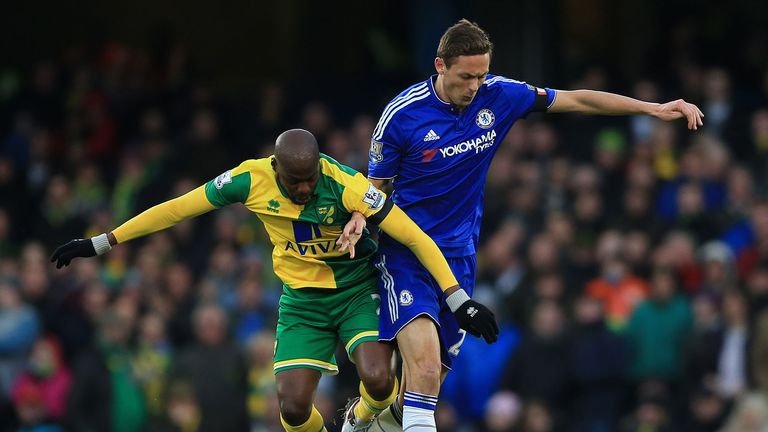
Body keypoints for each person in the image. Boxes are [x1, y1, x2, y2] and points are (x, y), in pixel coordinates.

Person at [348, 18, 704, 431]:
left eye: (481, 75)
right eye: (466, 77)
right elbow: (373, 188)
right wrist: (358, 220)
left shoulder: (498, 94)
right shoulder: (402, 115)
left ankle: (360, 424)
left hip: (459, 255)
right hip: (406, 254)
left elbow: (577, 100)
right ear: (440, 66)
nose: (475, 86)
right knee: (425, 372)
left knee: (420, 391)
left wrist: (652, 108)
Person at [50, 129, 498, 432]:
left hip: (356, 291)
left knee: (379, 380)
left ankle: (358, 420)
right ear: (275, 168)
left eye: (309, 181)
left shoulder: (346, 184)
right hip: (302, 303)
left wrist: (458, 299)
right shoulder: (249, 179)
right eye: (295, 182)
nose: (304, 189)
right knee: (292, 406)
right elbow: (178, 208)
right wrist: (103, 242)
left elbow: (415, 236)